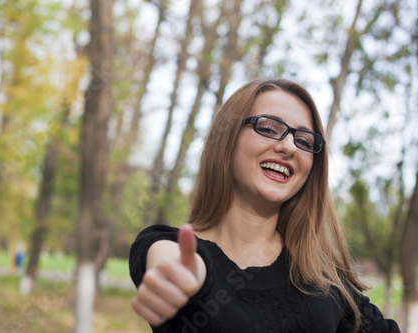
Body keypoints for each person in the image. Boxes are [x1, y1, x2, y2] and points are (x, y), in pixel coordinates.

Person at [129, 78, 400, 332]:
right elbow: (166, 259)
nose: (289, 147)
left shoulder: (324, 280)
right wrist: (184, 276)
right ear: (227, 138)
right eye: (269, 128)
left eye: (304, 141)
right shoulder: (171, 248)